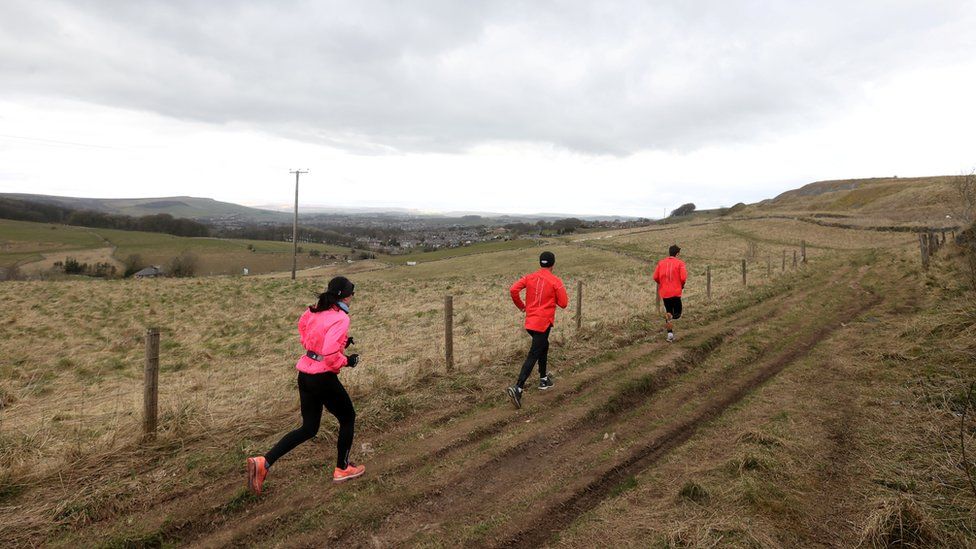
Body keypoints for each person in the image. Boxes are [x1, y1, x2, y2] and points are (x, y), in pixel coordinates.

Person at [246, 276, 364, 495]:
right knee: (348, 418)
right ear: (344, 296)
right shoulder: (341, 319)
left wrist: (336, 344)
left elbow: (306, 332)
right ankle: (343, 468)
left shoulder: (313, 311)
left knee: (309, 428)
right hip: (323, 377)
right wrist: (348, 360)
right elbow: (329, 355)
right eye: (351, 294)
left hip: (305, 373)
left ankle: (264, 462)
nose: (352, 298)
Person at [507, 251, 569, 408]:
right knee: (534, 353)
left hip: (530, 322)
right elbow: (564, 303)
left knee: (543, 346)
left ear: (540, 263)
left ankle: (543, 379)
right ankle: (518, 388)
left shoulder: (529, 277)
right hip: (543, 323)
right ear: (553, 264)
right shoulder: (555, 281)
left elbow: (513, 290)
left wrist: (522, 306)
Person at [653, 244, 688, 342]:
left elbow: (655, 277)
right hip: (676, 292)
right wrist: (682, 285)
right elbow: (683, 278)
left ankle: (670, 334)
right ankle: (672, 316)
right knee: (677, 313)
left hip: (665, 293)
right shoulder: (680, 263)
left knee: (668, 312)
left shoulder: (661, 263)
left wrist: (662, 283)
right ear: (677, 254)